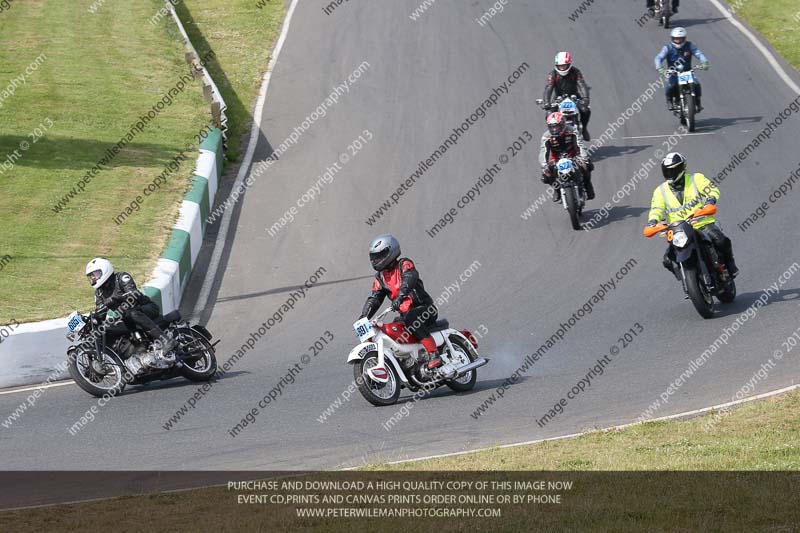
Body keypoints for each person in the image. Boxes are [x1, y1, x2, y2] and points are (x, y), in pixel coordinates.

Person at [646, 153, 739, 278]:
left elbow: (711, 189)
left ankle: (730, 264)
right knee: (668, 260)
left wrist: (710, 201)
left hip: (701, 223)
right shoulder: (660, 191)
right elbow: (656, 208)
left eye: (673, 170)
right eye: (667, 171)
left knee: (721, 241)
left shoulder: (696, 179)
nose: (670, 173)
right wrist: (652, 222)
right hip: (678, 230)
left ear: (682, 168)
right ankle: (687, 279)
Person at [360, 235, 442, 370]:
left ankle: (434, 354)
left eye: (380, 255)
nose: (376, 260)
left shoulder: (404, 264)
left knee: (411, 317)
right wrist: (364, 316)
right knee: (393, 329)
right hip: (405, 315)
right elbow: (375, 298)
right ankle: (406, 362)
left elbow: (409, 279)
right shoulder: (380, 277)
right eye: (374, 257)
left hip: (425, 309)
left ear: (391, 252)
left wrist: (400, 297)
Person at [85, 258, 176, 366]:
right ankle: (138, 352)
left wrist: (116, 299)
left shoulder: (121, 278)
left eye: (95, 274)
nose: (94, 278)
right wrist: (93, 320)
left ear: (104, 270)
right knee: (108, 328)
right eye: (91, 276)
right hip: (126, 317)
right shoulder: (99, 293)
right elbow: (101, 312)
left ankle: (165, 340)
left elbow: (134, 294)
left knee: (132, 313)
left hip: (146, 308)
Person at [539, 112, 595, 202]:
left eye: (556, 126)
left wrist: (583, 157)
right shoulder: (546, 136)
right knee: (546, 175)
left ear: (563, 124)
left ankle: (588, 185)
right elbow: (543, 151)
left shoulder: (573, 130)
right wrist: (544, 164)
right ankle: (556, 190)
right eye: (552, 127)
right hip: (556, 159)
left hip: (573, 155)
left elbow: (580, 144)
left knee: (587, 165)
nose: (554, 129)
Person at [654, 27, 709, 112]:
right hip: (674, 73)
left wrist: (705, 62)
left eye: (680, 39)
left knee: (697, 84)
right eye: (676, 39)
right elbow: (659, 58)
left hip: (687, 72)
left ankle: (698, 102)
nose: (678, 41)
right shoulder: (667, 48)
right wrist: (660, 68)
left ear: (684, 38)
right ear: (672, 38)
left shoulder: (690, 45)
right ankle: (669, 100)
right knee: (670, 86)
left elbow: (699, 54)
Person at [543, 51, 591, 141]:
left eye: (564, 66)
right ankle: (553, 133)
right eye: (560, 66)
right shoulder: (552, 74)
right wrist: (546, 102)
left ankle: (584, 129)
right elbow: (548, 88)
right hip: (558, 98)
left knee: (586, 110)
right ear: (556, 65)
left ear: (569, 64)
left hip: (574, 97)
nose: (562, 68)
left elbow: (581, 84)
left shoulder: (576, 72)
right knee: (549, 114)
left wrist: (585, 98)